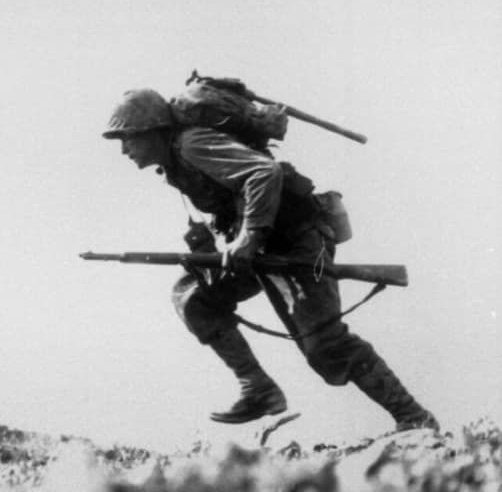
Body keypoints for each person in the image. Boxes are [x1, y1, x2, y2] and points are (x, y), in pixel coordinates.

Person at [102, 88, 439, 430]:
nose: (124, 149)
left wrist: (249, 238)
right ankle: (258, 388)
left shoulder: (191, 144)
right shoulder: (175, 163)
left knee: (325, 345)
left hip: (297, 238)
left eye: (127, 138)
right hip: (263, 247)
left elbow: (264, 173)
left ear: (152, 130)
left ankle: (413, 418)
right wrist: (217, 247)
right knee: (195, 298)